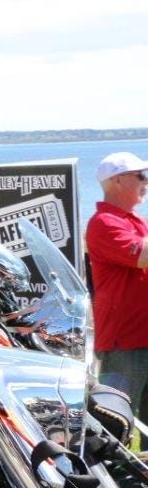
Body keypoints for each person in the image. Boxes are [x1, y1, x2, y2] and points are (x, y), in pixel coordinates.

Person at [86, 151, 148, 420]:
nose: (146, 182)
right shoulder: (104, 223)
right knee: (116, 422)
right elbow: (142, 257)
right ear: (117, 181)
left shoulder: (136, 222)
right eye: (141, 176)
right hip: (124, 345)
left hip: (142, 338)